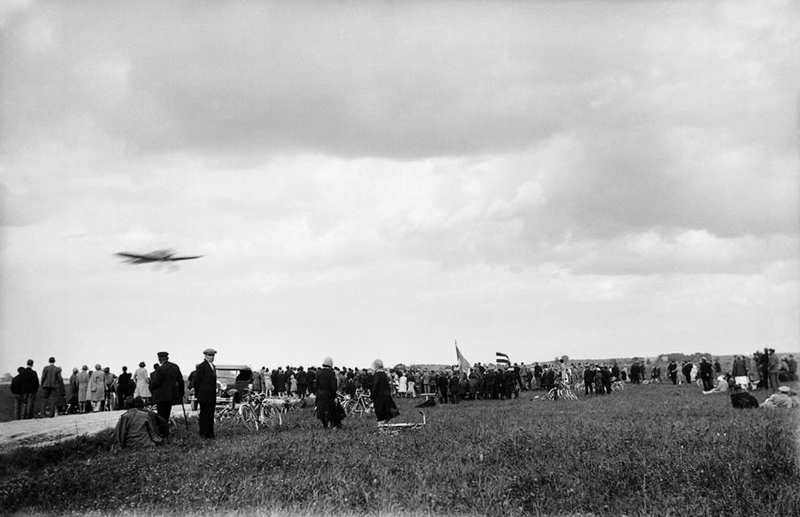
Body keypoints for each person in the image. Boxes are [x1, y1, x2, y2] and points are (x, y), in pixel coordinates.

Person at [149, 351, 184, 428]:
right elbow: (180, 381)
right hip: (171, 395)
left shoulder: (160, 369)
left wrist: (150, 386)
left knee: (161, 416)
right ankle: (166, 430)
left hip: (161, 396)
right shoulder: (175, 367)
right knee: (167, 413)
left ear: (160, 359)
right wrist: (181, 393)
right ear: (167, 358)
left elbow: (156, 383)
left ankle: (163, 432)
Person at [192, 348, 217, 438]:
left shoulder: (213, 366)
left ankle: (210, 434)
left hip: (211, 396)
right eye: (209, 355)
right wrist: (199, 393)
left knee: (210, 415)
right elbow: (197, 382)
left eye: (212, 355)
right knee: (204, 415)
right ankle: (203, 434)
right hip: (204, 395)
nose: (211, 357)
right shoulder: (202, 366)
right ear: (205, 356)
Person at [314, 357, 341, 429]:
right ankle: (333, 424)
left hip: (320, 393)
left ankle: (324, 425)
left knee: (321, 410)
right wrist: (334, 395)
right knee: (330, 409)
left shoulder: (318, 372)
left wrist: (317, 392)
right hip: (328, 394)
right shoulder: (331, 373)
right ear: (331, 364)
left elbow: (316, 384)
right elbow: (333, 386)